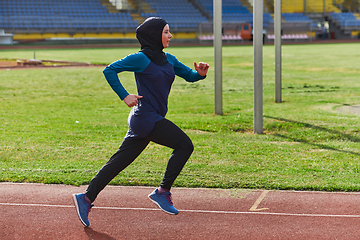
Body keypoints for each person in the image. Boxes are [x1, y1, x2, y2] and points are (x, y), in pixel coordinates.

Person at [72, 17, 209, 227]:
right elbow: (109, 70)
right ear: (154, 35)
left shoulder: (169, 59)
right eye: (166, 32)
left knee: (118, 162)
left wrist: (199, 74)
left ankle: (87, 198)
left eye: (169, 32)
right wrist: (125, 96)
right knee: (184, 145)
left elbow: (189, 75)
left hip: (148, 119)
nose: (170, 35)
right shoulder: (141, 58)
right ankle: (162, 192)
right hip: (145, 118)